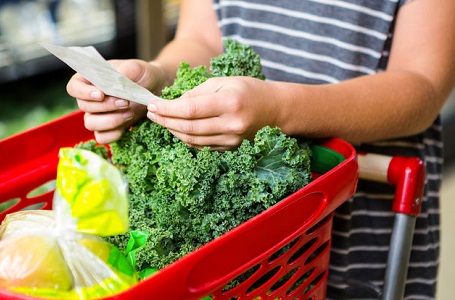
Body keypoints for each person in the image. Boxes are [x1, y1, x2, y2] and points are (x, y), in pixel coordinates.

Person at [66, 0, 455, 298]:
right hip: (238, 245)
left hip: (361, 231)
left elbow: (422, 85)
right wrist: (158, 77)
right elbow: (202, 39)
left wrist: (278, 110)